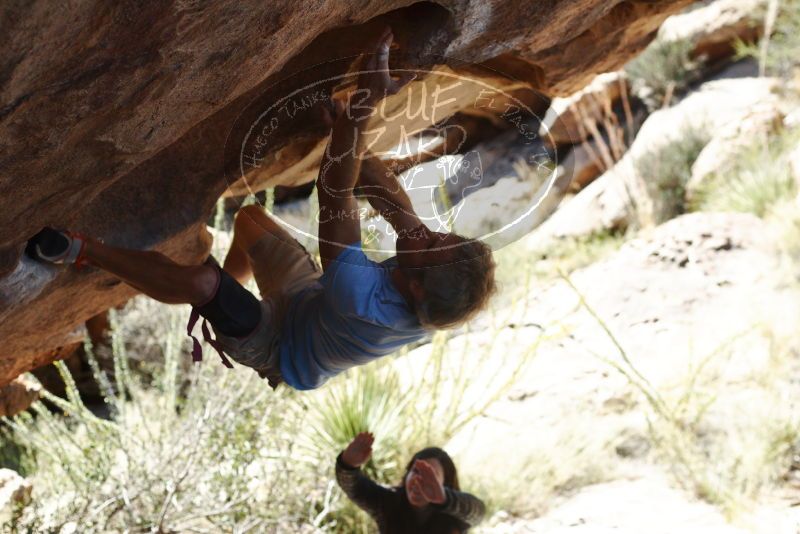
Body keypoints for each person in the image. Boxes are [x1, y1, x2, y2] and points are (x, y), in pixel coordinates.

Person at [25, 27, 496, 391]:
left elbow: (335, 192)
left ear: (412, 284)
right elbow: (386, 197)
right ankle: (231, 298)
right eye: (441, 235)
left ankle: (81, 251)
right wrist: (342, 131)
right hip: (312, 303)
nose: (427, 233)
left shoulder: (363, 300)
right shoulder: (432, 284)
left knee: (201, 283)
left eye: (431, 243)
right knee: (250, 220)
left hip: (281, 347)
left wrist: (365, 103)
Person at [336, 431, 485, 533]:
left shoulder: (456, 511)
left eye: (430, 475)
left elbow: (478, 512)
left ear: (445, 484)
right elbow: (355, 488)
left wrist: (444, 499)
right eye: (416, 471)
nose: (420, 480)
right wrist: (348, 464)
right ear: (407, 474)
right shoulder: (389, 502)